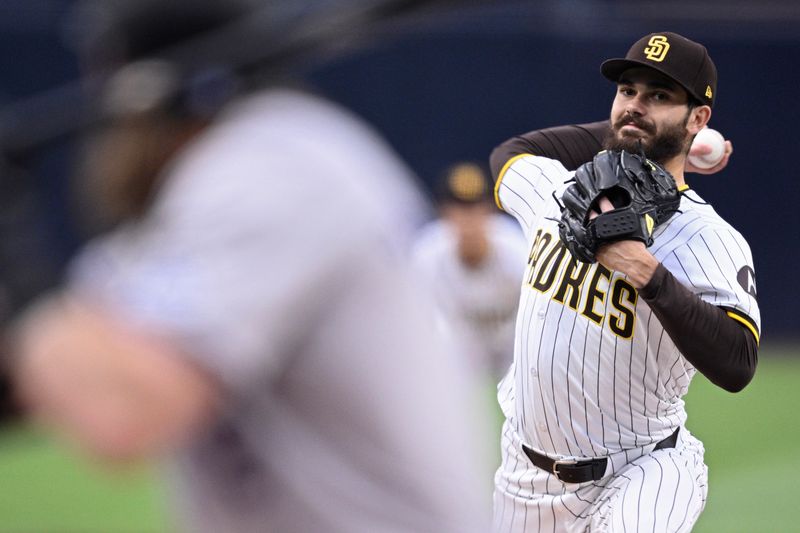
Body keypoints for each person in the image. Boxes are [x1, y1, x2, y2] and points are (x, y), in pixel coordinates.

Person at [7, 2, 491, 532]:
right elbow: (58, 376)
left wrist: (17, 254)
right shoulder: (230, 177)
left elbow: (122, 411)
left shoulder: (268, 168)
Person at [489, 32, 759, 532]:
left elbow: (738, 363)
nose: (635, 105)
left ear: (698, 117)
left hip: (641, 469)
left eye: (660, 96)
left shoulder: (709, 238)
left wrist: (647, 272)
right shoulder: (560, 191)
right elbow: (512, 152)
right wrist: (640, 128)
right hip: (524, 478)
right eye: (627, 92)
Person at [412, 161, 527, 383]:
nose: (468, 220)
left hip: (512, 347)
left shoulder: (517, 250)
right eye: (460, 210)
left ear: (489, 211)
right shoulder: (426, 255)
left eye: (475, 208)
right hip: (462, 350)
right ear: (445, 214)